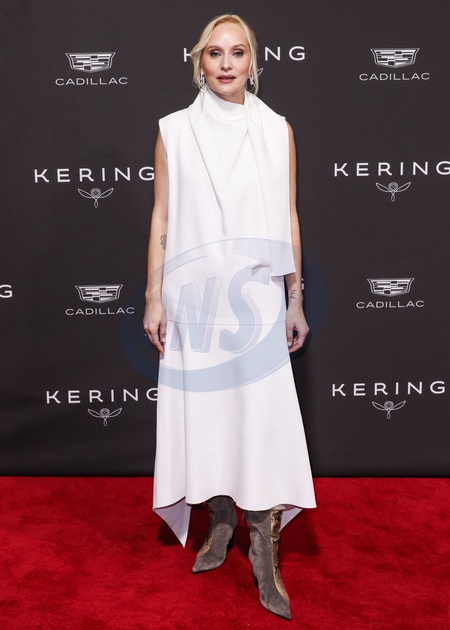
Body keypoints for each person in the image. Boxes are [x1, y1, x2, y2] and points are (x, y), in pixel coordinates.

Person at [143, 14, 316, 620]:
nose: (225, 64)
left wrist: (294, 297)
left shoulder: (276, 130)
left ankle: (264, 549)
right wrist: (154, 295)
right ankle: (220, 521)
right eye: (214, 53)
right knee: (207, 417)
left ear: (253, 62)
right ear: (199, 61)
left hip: (256, 297)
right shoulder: (172, 131)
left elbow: (288, 216)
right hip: (193, 297)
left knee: (259, 420)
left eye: (236, 53)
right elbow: (163, 216)